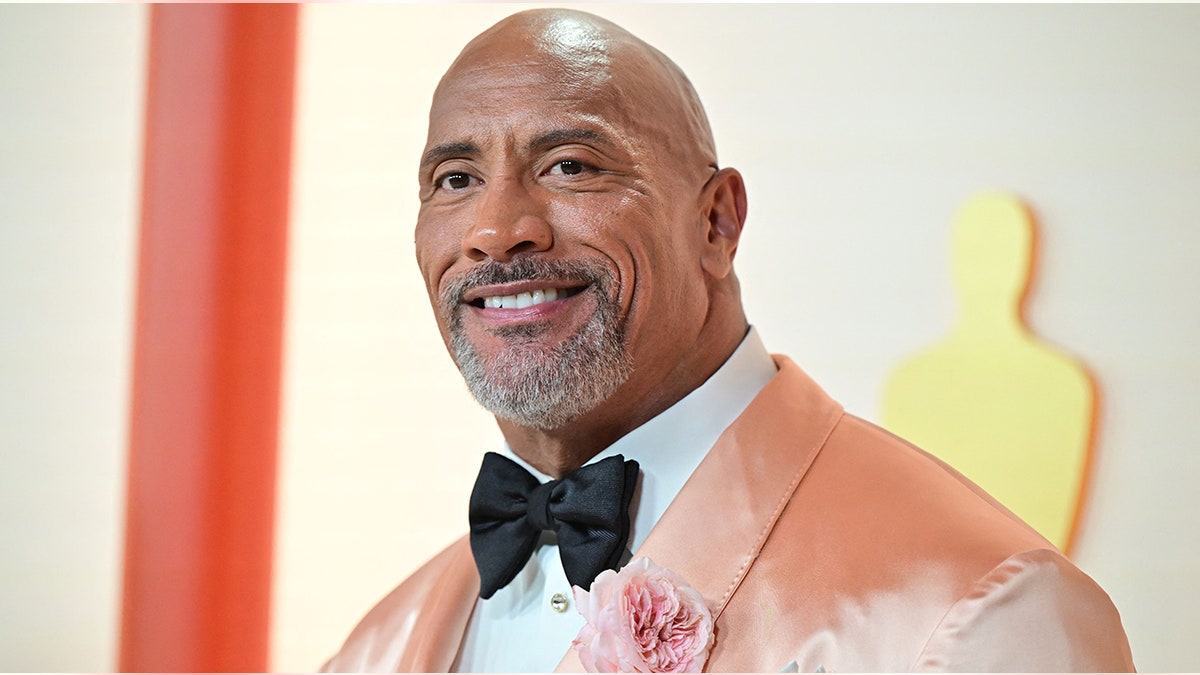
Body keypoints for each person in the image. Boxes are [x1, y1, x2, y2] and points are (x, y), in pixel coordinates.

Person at [324, 8, 1134, 672]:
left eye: (571, 165)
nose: (497, 231)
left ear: (717, 222)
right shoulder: (375, 649)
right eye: (455, 180)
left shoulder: (984, 616)